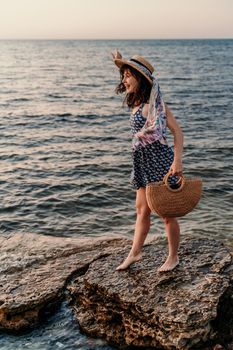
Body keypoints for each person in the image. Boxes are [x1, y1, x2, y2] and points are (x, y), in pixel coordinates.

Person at [111, 50, 184, 272]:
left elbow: (178, 133)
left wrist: (177, 163)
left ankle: (173, 257)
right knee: (141, 210)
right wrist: (120, 62)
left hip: (161, 162)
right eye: (123, 76)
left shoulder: (155, 106)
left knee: (166, 214)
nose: (124, 80)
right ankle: (135, 253)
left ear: (140, 78)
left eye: (128, 76)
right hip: (141, 162)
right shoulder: (136, 103)